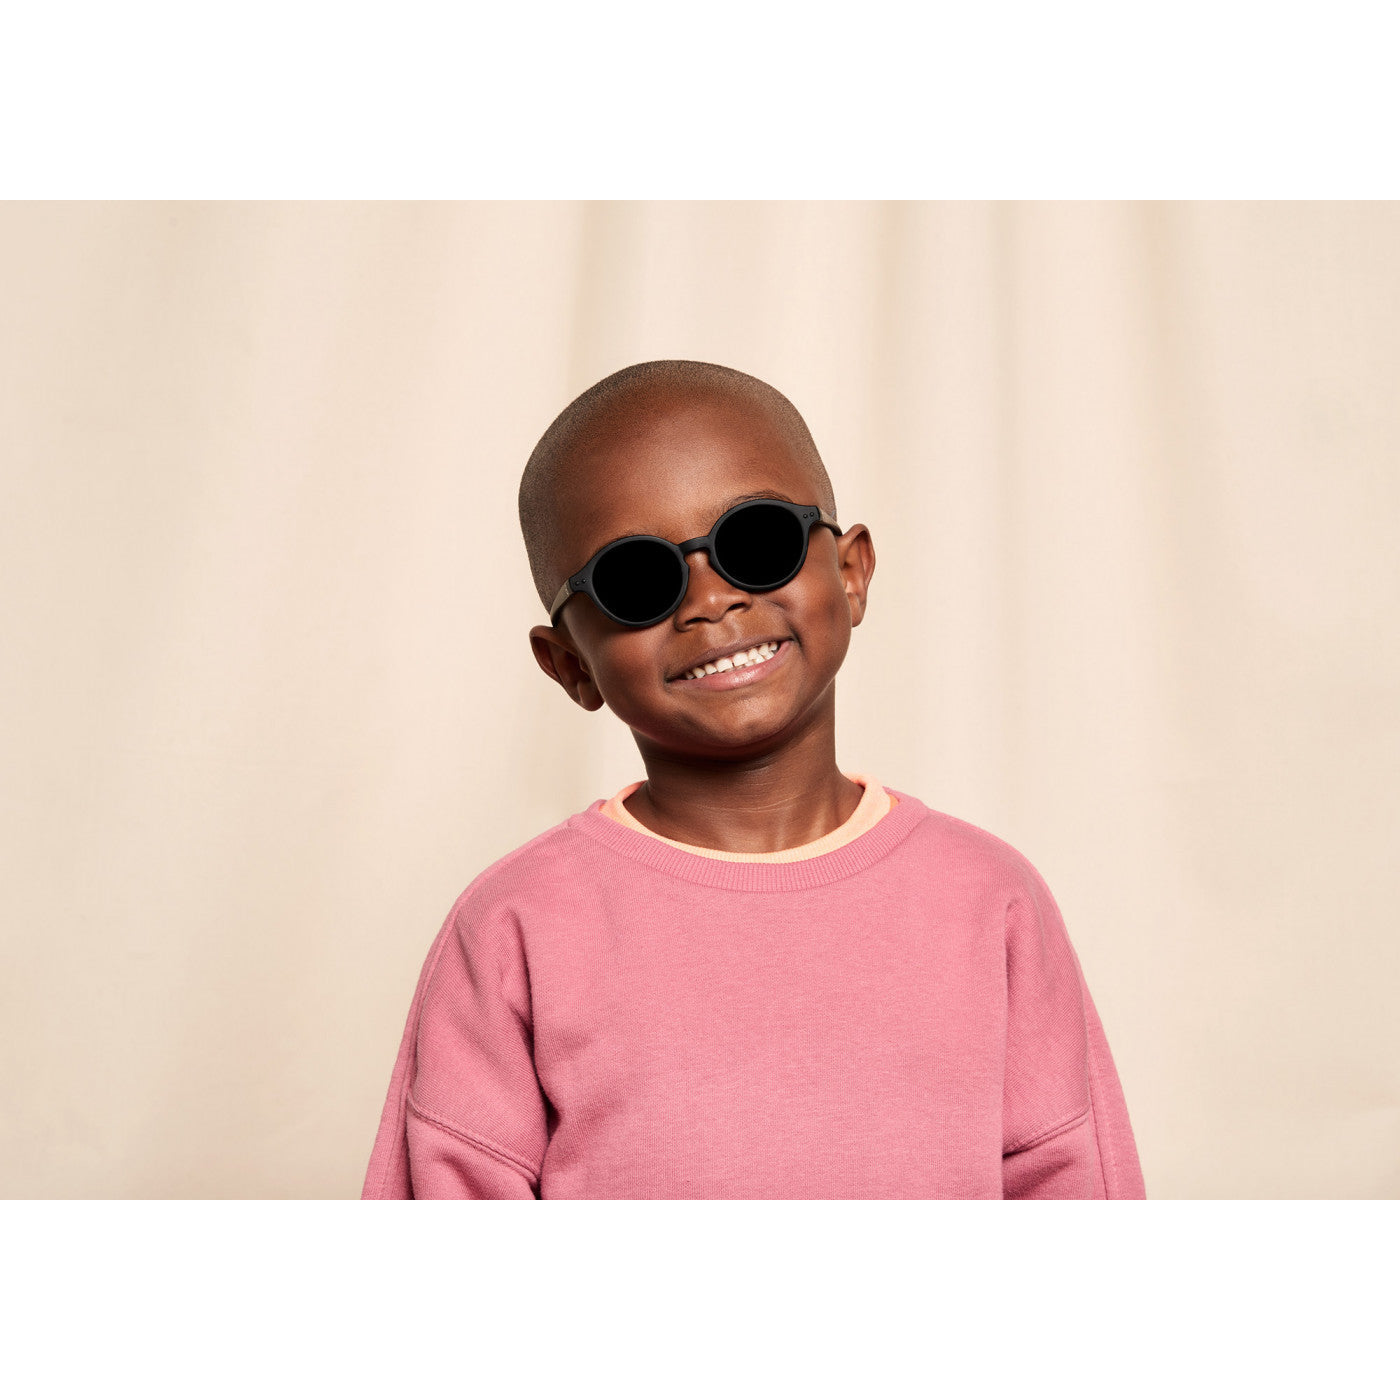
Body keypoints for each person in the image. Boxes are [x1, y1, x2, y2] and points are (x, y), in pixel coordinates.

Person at [361, 360, 1145, 1199]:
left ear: (851, 573)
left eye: (758, 541)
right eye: (636, 580)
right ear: (570, 665)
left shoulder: (990, 900)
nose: (711, 601)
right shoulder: (514, 927)